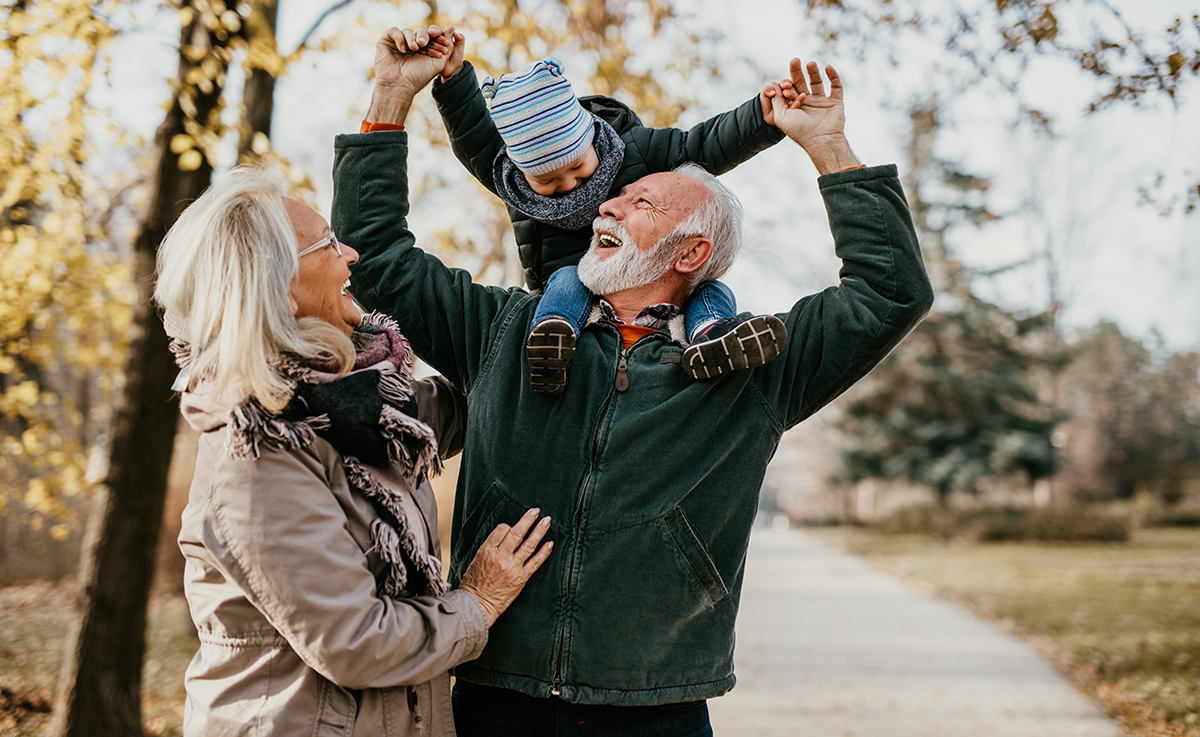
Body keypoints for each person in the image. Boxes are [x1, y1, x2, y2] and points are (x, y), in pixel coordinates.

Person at [335, 25, 934, 736]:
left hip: (659, 707)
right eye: (615, 199)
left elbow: (889, 292)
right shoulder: (504, 330)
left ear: (693, 252)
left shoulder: (752, 366)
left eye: (640, 202)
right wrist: (392, 95)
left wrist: (829, 146)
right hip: (495, 694)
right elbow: (377, 259)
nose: (606, 204)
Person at [153, 166, 555, 737]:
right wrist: (478, 601)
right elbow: (357, 642)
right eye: (328, 243)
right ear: (279, 289)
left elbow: (469, 402)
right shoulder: (258, 450)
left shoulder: (347, 406)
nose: (350, 255)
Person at [428, 35, 793, 393]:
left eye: (577, 167)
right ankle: (551, 340)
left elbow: (702, 145)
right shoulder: (517, 188)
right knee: (566, 279)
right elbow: (474, 138)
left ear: (590, 136)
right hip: (568, 295)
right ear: (522, 173)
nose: (567, 184)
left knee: (708, 287)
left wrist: (761, 118)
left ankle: (711, 335)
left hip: (645, 290)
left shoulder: (634, 149)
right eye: (547, 180)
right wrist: (454, 79)